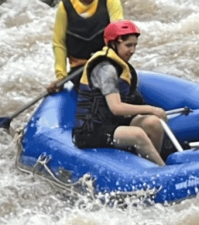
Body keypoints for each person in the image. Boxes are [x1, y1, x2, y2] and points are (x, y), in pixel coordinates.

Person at [73, 20, 174, 166]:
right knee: (137, 134)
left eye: (134, 45)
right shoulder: (105, 69)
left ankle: (150, 164)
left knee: (153, 123)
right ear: (114, 44)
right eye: (128, 45)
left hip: (112, 123)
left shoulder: (119, 65)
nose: (132, 50)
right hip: (91, 130)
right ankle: (162, 171)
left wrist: (151, 114)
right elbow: (116, 107)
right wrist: (152, 109)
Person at [51, 0, 123, 87]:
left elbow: (117, 34)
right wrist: (61, 76)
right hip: (79, 69)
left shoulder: (111, 0)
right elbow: (59, 43)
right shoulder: (65, 7)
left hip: (106, 64)